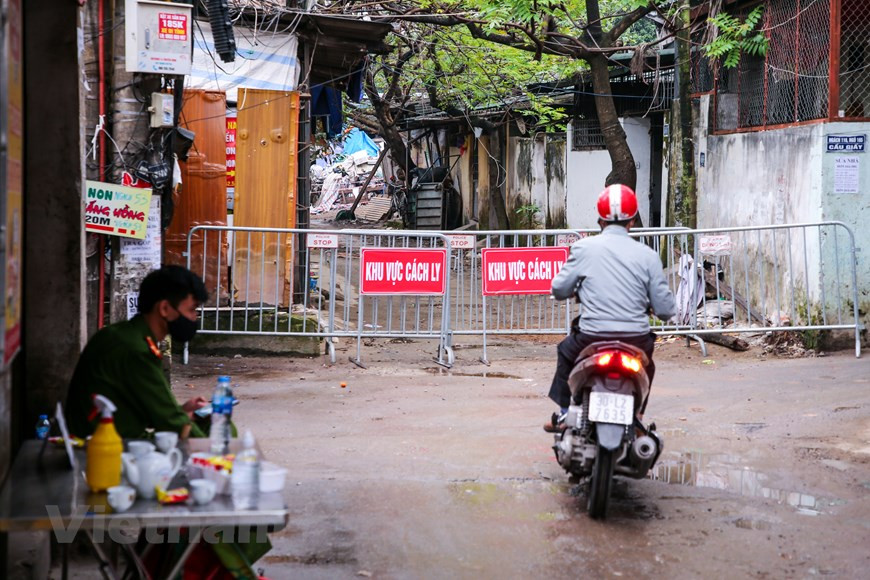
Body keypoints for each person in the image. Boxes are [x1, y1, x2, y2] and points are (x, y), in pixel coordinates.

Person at [545, 184, 676, 432]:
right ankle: (636, 417)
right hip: (636, 341)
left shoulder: (584, 248)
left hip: (591, 338)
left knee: (565, 352)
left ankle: (565, 414)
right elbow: (666, 310)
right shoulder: (648, 255)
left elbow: (559, 290)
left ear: (600, 220)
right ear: (633, 221)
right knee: (648, 367)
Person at [66, 265, 209, 439]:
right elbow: (171, 422)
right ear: (164, 309)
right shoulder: (136, 350)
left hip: (104, 438)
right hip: (104, 449)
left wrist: (182, 411)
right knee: (218, 425)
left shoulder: (121, 334)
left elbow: (146, 407)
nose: (194, 317)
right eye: (192, 309)